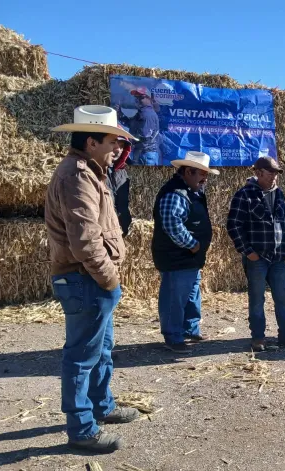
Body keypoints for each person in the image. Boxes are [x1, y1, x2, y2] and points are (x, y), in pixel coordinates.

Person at [47, 105, 141, 452]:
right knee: (82, 356)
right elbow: (85, 240)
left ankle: (102, 405)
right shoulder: (77, 176)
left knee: (100, 350)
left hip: (90, 279)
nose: (118, 148)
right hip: (86, 279)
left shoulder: (89, 171)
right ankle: (82, 429)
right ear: (91, 142)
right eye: (113, 141)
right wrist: (109, 279)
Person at [227, 156, 285, 352]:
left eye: (276, 173)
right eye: (270, 173)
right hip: (257, 258)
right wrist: (248, 251)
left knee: (283, 300)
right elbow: (234, 225)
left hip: (278, 257)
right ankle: (258, 338)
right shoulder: (244, 195)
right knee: (257, 300)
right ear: (258, 173)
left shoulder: (279, 194)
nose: (274, 177)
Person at [151, 151, 217, 353]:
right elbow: (172, 224)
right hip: (177, 257)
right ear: (188, 172)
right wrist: (192, 244)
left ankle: (189, 329)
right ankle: (173, 336)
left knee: (191, 294)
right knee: (175, 298)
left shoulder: (191, 191)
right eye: (202, 174)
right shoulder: (175, 193)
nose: (205, 179)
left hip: (190, 258)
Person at [118, 86, 160, 165]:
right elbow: (131, 124)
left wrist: (129, 140)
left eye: (141, 97)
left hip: (146, 154)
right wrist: (120, 115)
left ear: (149, 99)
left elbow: (144, 136)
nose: (138, 100)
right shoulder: (142, 113)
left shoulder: (147, 114)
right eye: (136, 97)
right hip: (143, 153)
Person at [105, 125, 133, 236]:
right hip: (105, 233)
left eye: (122, 146)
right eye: (114, 143)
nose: (118, 150)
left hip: (120, 232)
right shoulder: (95, 172)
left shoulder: (122, 173)